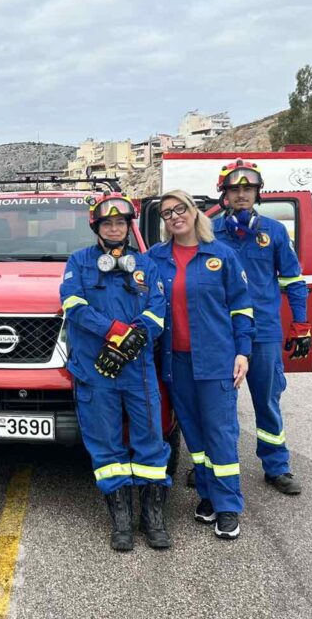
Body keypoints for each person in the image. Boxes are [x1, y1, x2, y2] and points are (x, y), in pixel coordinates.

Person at [59, 193, 171, 552]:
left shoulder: (146, 265)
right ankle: (121, 521)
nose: (114, 228)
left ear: (128, 227)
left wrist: (136, 335)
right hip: (96, 369)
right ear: (96, 227)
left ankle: (152, 519)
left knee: (151, 443)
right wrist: (114, 332)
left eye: (120, 222)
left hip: (138, 370)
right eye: (107, 223)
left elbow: (157, 308)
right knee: (106, 447)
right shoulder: (78, 261)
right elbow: (73, 305)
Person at [146, 189, 254, 540]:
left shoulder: (221, 256)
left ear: (194, 212)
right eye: (166, 213)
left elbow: (241, 307)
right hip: (175, 362)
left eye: (180, 209)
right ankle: (207, 495)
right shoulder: (155, 258)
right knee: (193, 435)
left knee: (220, 434)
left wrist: (243, 352)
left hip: (216, 360)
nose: (174, 216)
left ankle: (227, 507)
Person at [213, 159, 309, 495]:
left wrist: (301, 324)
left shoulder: (275, 231)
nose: (242, 194)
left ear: (257, 193)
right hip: (221, 333)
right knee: (219, 404)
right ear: (224, 194)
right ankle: (215, 465)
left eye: (248, 188)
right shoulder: (210, 232)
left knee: (267, 400)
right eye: (235, 189)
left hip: (264, 332)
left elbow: (294, 281)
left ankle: (276, 466)